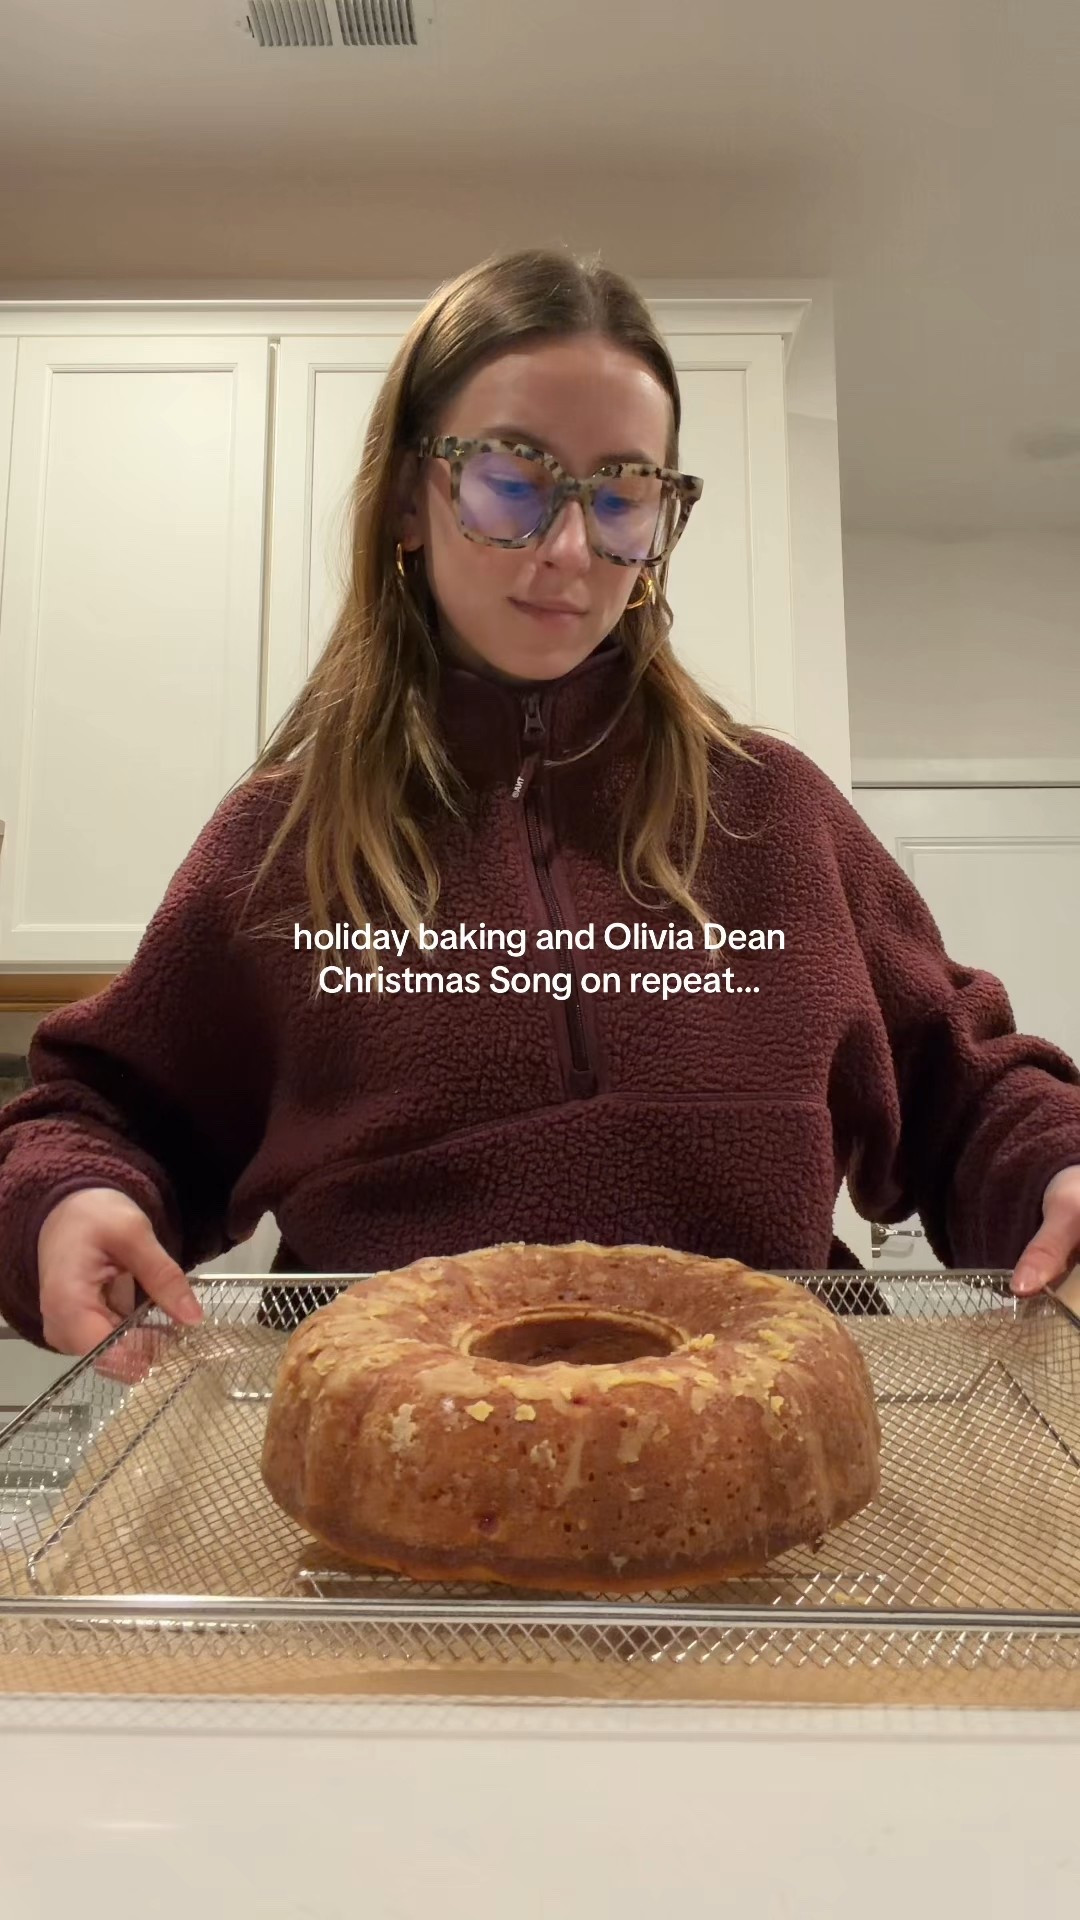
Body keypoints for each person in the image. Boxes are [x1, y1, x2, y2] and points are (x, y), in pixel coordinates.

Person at [1, 244, 1079, 1359]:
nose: (569, 548)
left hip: (769, 1466)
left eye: (622, 494)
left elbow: (968, 1091)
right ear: (411, 500)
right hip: (391, 1477)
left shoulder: (779, 813)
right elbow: (102, 1117)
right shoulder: (283, 845)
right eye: (511, 481)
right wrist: (66, 1198)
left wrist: (1056, 1165)